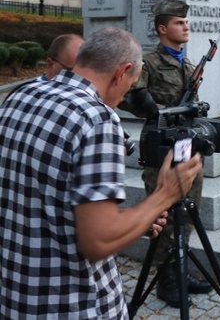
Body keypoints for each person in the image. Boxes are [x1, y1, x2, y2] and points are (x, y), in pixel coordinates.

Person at [0, 27, 202, 319]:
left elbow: (49, 199)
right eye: (130, 85)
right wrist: (165, 194)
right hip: (72, 305)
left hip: (15, 297)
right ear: (123, 72)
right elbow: (97, 242)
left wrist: (132, 219)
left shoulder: (22, 95)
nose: (123, 98)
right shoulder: (97, 119)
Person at [122, 0, 211, 307]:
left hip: (186, 144)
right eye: (178, 22)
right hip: (161, 150)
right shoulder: (149, 62)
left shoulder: (188, 65)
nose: (185, 26)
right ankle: (165, 280)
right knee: (164, 217)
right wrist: (149, 106)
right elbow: (127, 93)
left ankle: (180, 271)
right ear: (162, 28)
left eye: (186, 22)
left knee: (188, 213)